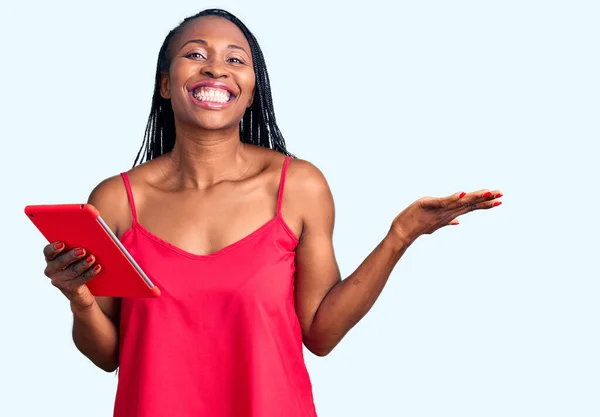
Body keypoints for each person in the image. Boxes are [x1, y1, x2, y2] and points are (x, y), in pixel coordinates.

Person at [41, 8, 502, 417]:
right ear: (165, 84)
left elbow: (321, 333)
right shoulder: (116, 202)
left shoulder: (298, 187)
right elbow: (107, 354)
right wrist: (79, 300)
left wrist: (401, 234)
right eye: (196, 55)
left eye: (235, 59)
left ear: (250, 90)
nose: (216, 67)